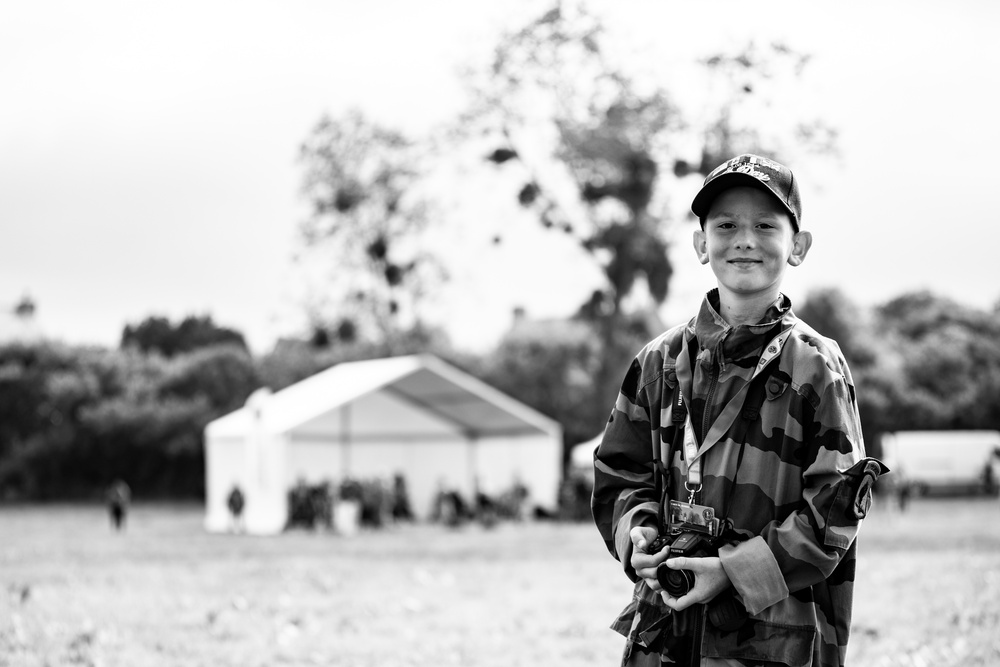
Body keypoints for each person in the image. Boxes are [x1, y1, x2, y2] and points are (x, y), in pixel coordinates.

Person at [592, 154, 887, 667]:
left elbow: (835, 511)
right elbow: (619, 473)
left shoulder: (816, 366)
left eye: (765, 225)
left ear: (798, 246)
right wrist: (634, 532)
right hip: (665, 634)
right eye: (725, 224)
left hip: (772, 642)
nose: (744, 239)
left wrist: (731, 571)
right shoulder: (658, 361)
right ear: (701, 243)